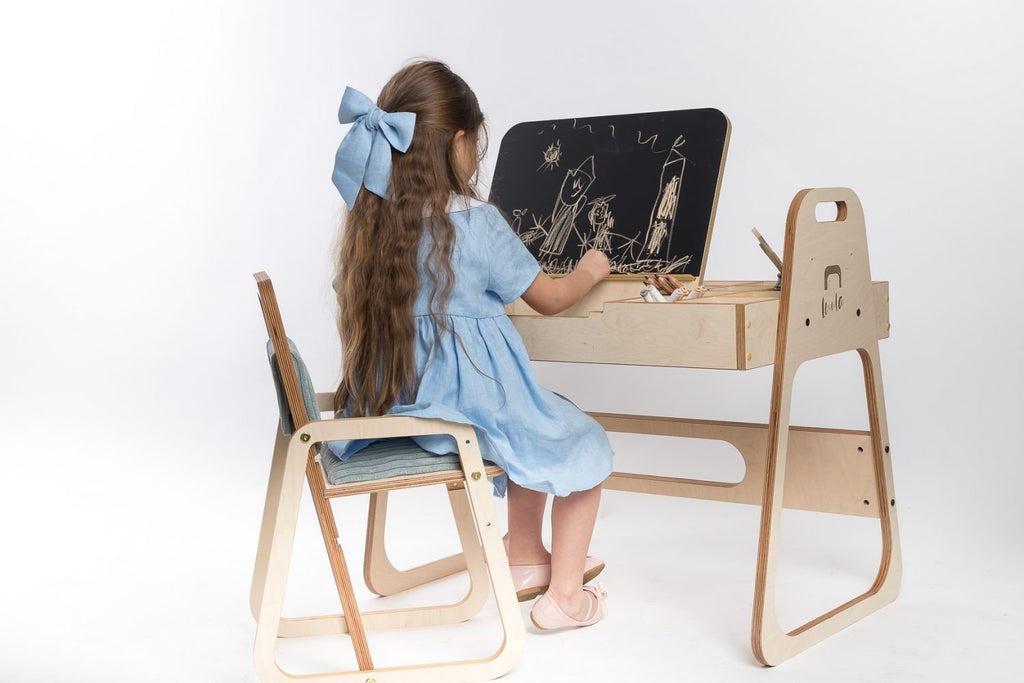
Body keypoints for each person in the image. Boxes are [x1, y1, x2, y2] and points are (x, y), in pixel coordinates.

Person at [328, 60, 614, 629]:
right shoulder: (478, 223)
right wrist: (591, 268)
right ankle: (567, 600)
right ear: (459, 142)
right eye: (475, 142)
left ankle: (527, 558)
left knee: (536, 422)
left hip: (401, 411)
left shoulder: (372, 223)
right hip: (469, 413)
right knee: (582, 444)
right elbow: (552, 299)